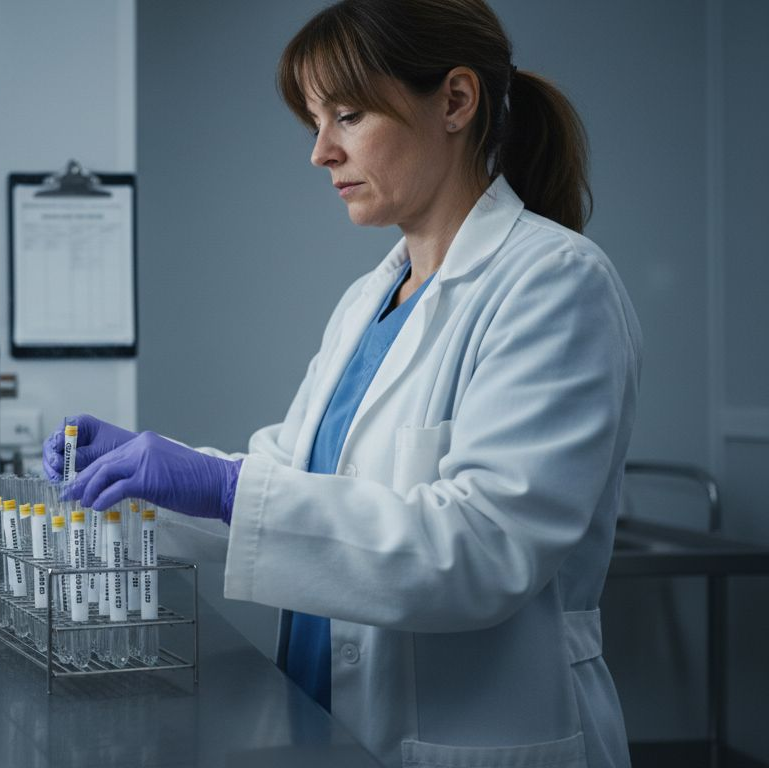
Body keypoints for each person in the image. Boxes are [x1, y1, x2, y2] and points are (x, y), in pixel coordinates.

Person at [42, 1, 641, 767]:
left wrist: (225, 487)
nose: (321, 152)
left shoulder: (556, 284)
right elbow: (293, 487)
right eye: (316, 122)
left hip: (477, 735)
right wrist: (146, 482)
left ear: (456, 101)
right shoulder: (368, 300)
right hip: (329, 724)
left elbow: (485, 547)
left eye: (348, 116)